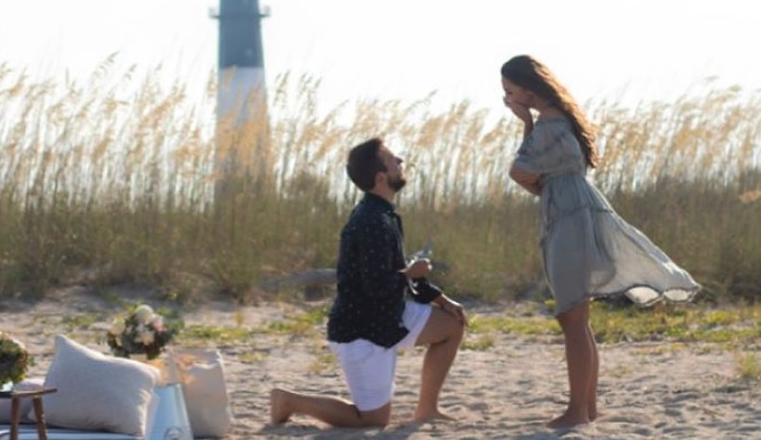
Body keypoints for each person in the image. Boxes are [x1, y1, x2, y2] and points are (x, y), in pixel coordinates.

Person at [501, 55, 700, 428]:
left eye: (510, 92)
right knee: (579, 318)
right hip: (579, 212)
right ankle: (587, 407)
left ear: (527, 89)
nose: (508, 100)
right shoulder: (565, 119)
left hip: (569, 221)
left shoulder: (547, 125)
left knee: (571, 318)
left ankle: (578, 411)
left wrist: (525, 123)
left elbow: (519, 171)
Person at [269, 137, 466, 428]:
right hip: (361, 331)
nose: (400, 161)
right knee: (372, 420)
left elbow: (397, 276)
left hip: (389, 316)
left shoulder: (383, 214)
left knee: (452, 324)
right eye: (392, 159)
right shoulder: (371, 220)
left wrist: (441, 300)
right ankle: (289, 401)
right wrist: (412, 273)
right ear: (380, 177)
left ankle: (427, 409)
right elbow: (378, 285)